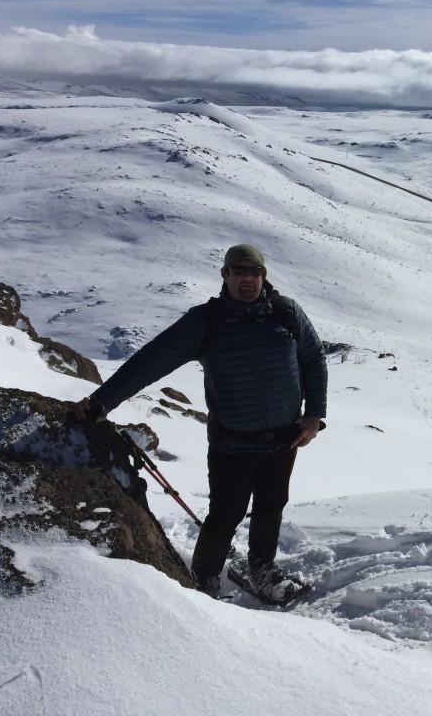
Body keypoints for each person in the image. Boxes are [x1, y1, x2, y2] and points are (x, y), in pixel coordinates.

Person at [73, 244, 327, 601]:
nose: (248, 279)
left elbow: (313, 359)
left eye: (254, 272)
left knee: (272, 506)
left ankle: (262, 569)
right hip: (232, 442)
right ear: (225, 275)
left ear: (264, 276)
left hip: (284, 437)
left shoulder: (286, 313)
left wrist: (315, 415)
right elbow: (152, 360)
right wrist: (103, 400)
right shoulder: (206, 321)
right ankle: (204, 578)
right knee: (226, 513)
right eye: (239, 271)